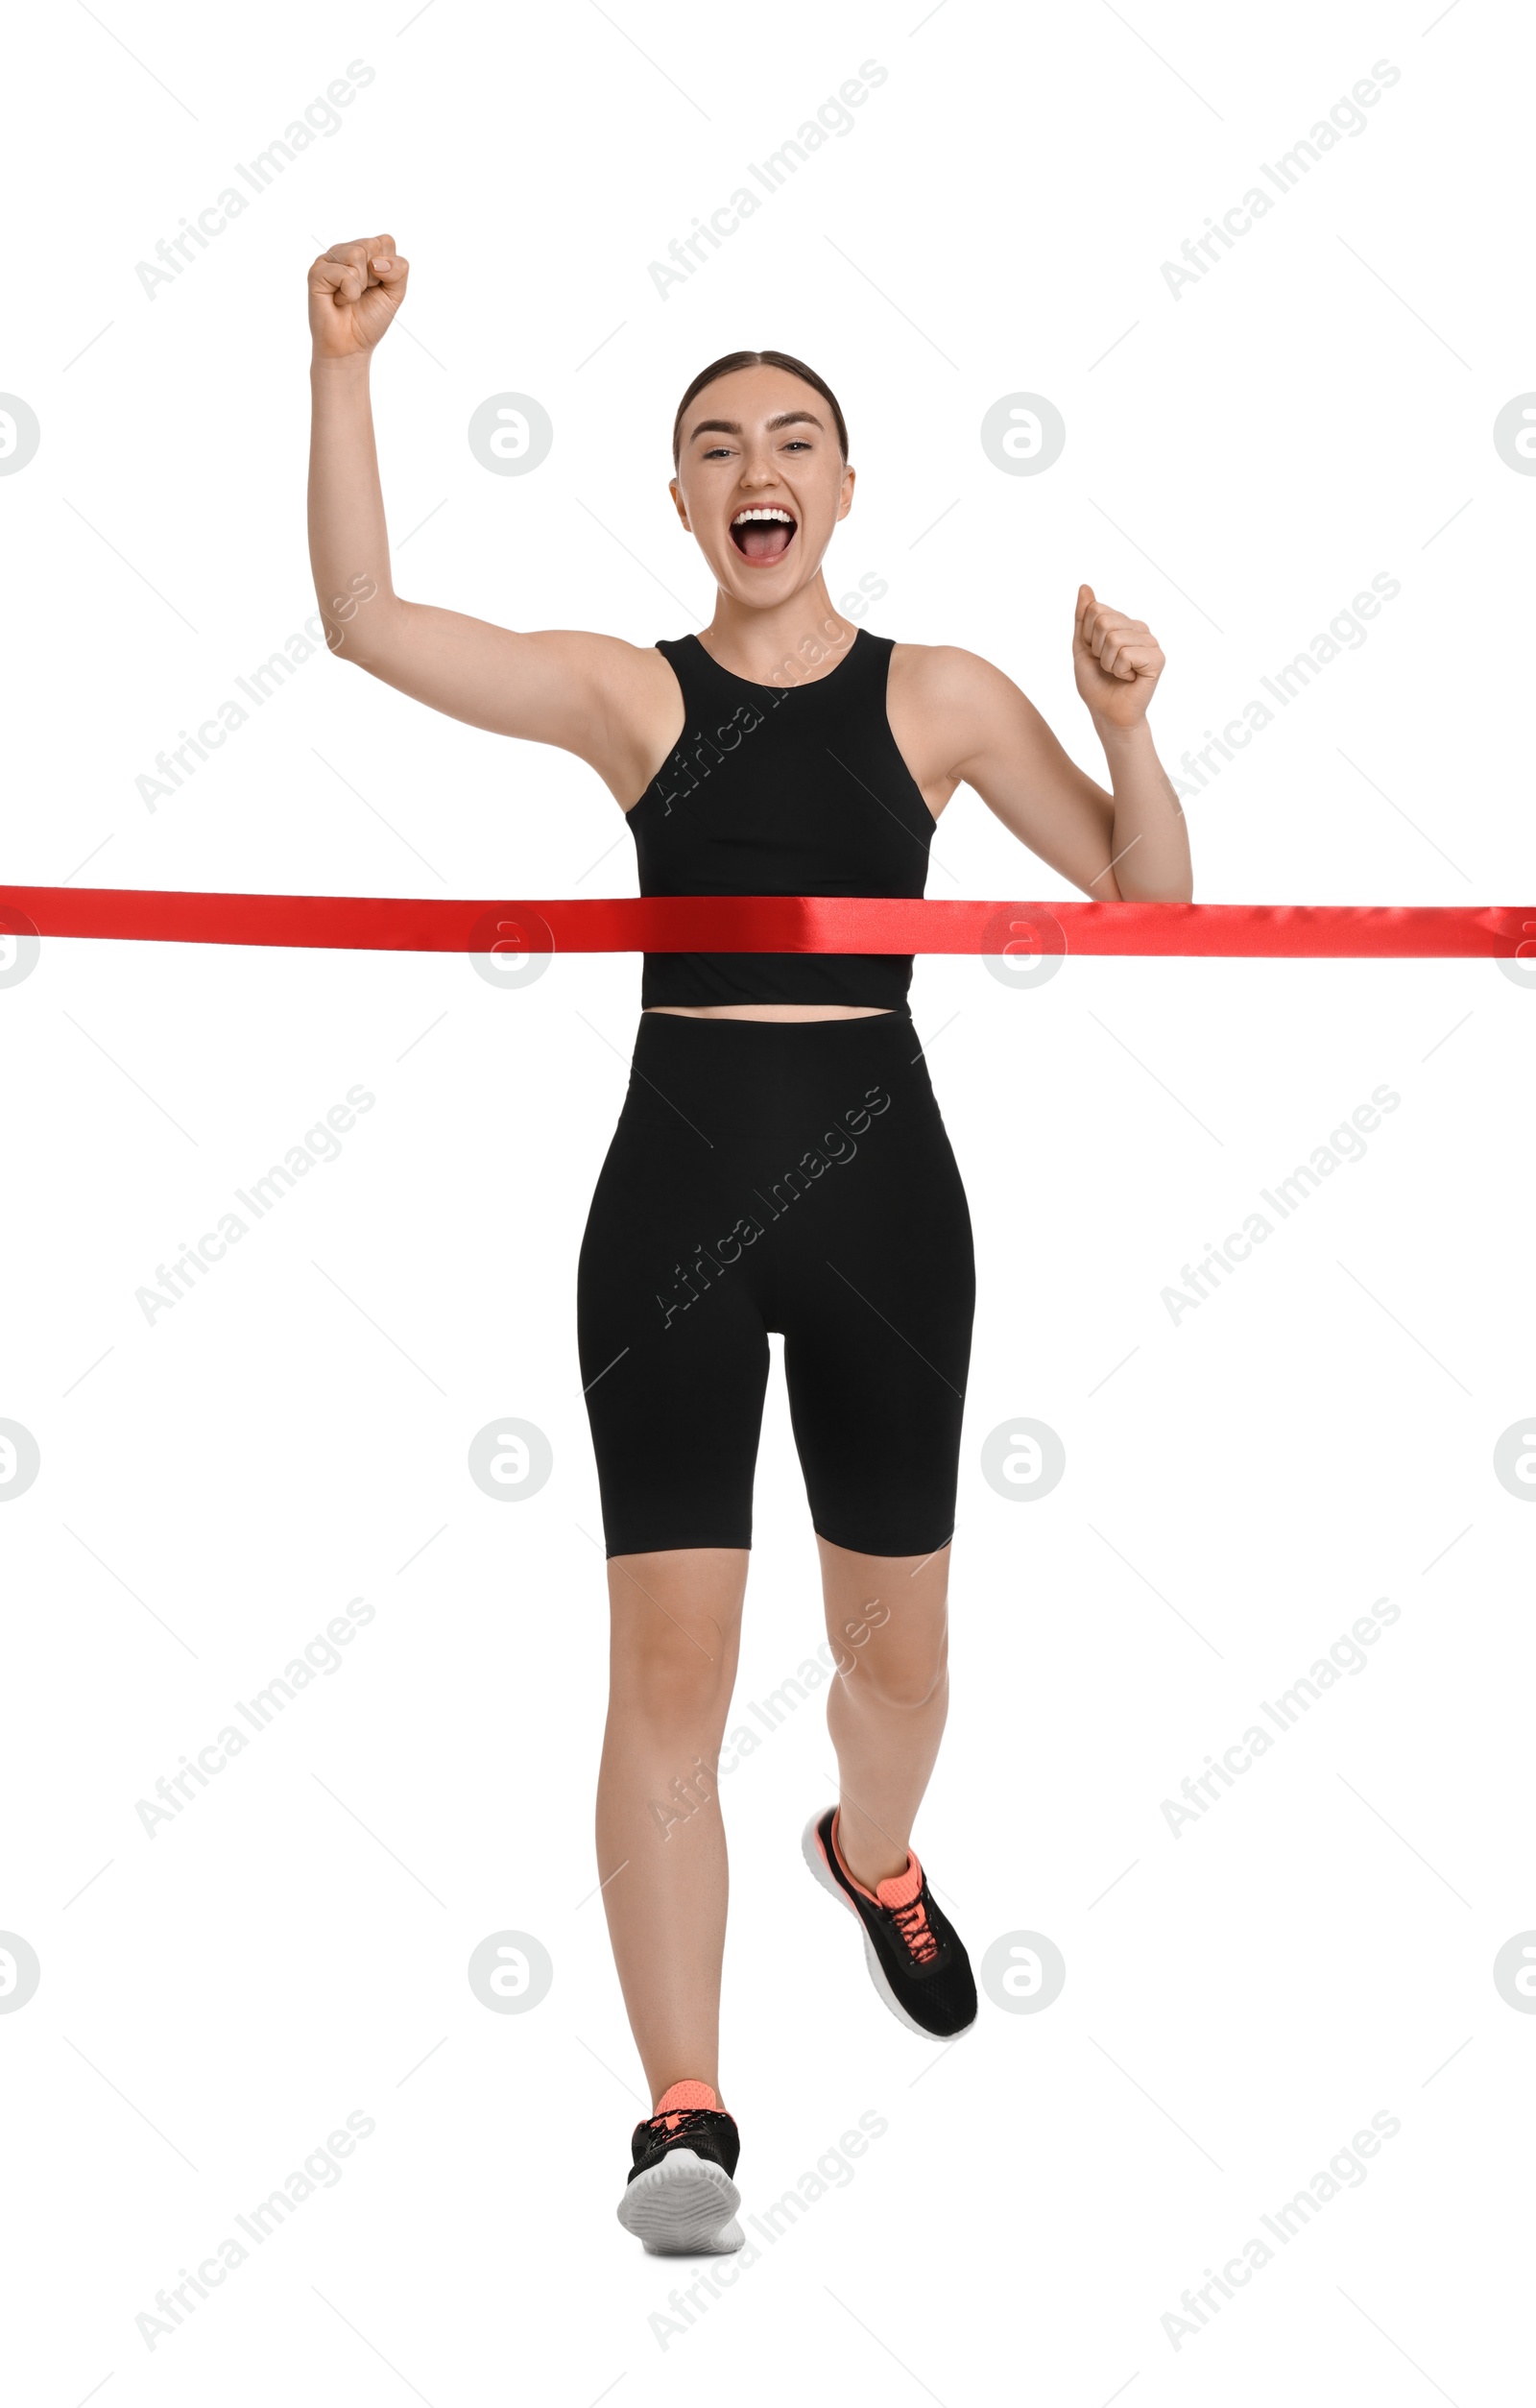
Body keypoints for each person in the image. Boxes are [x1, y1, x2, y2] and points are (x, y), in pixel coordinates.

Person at [306, 233, 1192, 2255]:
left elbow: (1148, 904)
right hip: (677, 1213)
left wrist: (1127, 725)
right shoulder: (633, 697)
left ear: (846, 489)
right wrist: (342, 366)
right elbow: (363, 622)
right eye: (715, 445)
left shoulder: (944, 696)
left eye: (791, 438)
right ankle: (678, 2116)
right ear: (684, 499)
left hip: (886, 1212)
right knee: (664, 1683)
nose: (753, 465)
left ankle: (870, 1852)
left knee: (901, 1675)